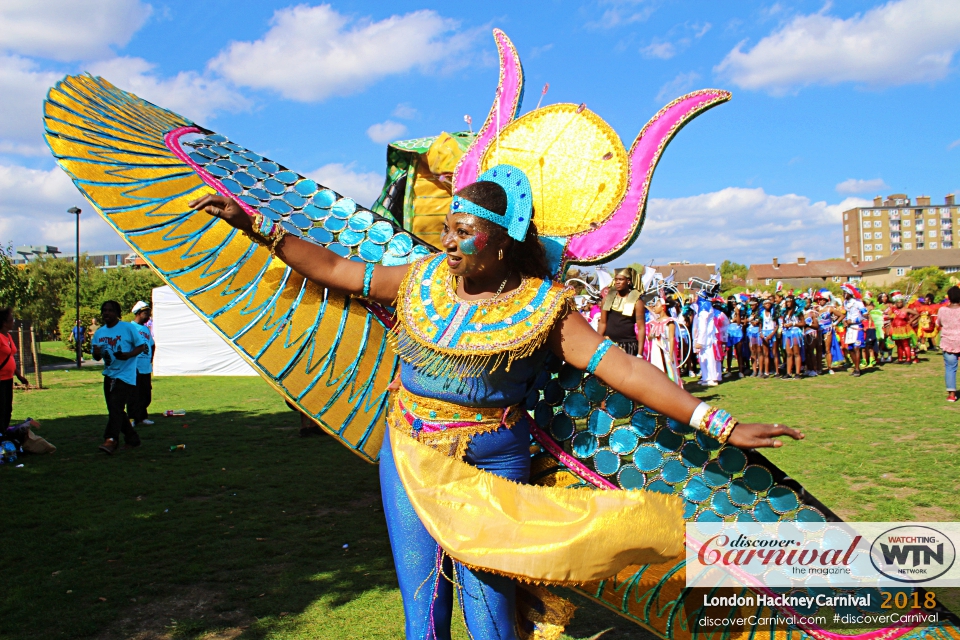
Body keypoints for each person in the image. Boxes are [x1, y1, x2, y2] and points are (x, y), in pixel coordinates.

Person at [186, 169, 801, 639]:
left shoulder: (546, 307)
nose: (449, 242)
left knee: (488, 609)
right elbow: (335, 270)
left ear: (502, 243)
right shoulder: (419, 279)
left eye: (464, 233)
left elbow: (626, 369)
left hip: (492, 465)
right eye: (447, 229)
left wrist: (717, 421)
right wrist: (257, 224)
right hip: (406, 456)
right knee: (422, 606)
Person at [91, 300, 147, 454]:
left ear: (117, 313)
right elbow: (96, 357)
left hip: (126, 374)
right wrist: (96, 354)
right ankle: (133, 439)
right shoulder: (100, 333)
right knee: (115, 409)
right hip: (109, 374)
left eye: (110, 310)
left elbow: (141, 346)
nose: (106, 313)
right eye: (104, 311)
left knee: (116, 406)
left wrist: (128, 355)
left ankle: (111, 440)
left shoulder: (127, 328)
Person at [597, 267, 645, 355]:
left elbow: (641, 328)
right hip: (608, 343)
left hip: (628, 345)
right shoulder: (606, 299)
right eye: (616, 279)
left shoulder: (637, 302)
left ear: (628, 281)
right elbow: (603, 323)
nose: (617, 282)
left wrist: (640, 354)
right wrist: (597, 343)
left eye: (621, 279)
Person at [0, 308, 29, 430]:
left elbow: (10, 357)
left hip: (9, 378)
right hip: (0, 379)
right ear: (4, 323)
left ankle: (3, 432)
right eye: (11, 319)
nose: (13, 321)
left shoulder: (8, 336)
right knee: (1, 408)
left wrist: (19, 375)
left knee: (7, 408)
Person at [127, 301, 155, 426]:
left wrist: (150, 360)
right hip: (135, 367)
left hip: (146, 367)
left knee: (146, 394)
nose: (148, 316)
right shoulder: (130, 328)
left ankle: (142, 417)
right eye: (146, 313)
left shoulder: (146, 329)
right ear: (138, 313)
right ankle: (132, 418)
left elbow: (152, 345)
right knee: (134, 394)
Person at [936, 286, 960, 403]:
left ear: (949, 298)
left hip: (948, 342)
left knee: (950, 368)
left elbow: (938, 323)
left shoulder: (942, 310)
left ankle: (951, 394)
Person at [693, 291, 721, 386]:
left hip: (706, 338)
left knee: (708, 357)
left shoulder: (704, 310)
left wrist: (700, 341)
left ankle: (711, 378)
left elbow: (703, 327)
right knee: (703, 357)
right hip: (706, 337)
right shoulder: (705, 308)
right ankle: (706, 377)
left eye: (697, 296)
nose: (695, 298)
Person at [841, 284, 867, 377]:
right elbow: (846, 315)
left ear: (850, 293)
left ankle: (857, 369)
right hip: (849, 329)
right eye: (843, 292)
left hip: (857, 327)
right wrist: (845, 321)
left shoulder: (858, 303)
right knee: (850, 348)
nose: (843, 294)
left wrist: (854, 321)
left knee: (856, 348)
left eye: (845, 293)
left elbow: (865, 315)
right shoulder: (845, 303)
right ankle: (857, 368)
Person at [885, 295, 920, 364]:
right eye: (897, 303)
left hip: (904, 329)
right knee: (899, 344)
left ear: (903, 303)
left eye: (900, 302)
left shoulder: (906, 310)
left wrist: (911, 321)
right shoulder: (894, 310)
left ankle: (908, 359)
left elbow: (917, 314)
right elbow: (889, 316)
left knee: (905, 344)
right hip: (895, 329)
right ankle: (900, 359)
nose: (899, 304)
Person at [780, 296, 803, 379]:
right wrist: (784, 326)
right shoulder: (785, 311)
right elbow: (783, 322)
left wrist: (792, 324)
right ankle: (788, 373)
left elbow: (803, 323)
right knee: (789, 353)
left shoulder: (797, 311)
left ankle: (797, 373)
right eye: (787, 302)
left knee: (796, 353)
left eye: (790, 301)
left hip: (795, 332)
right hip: (787, 333)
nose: (788, 303)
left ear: (793, 302)